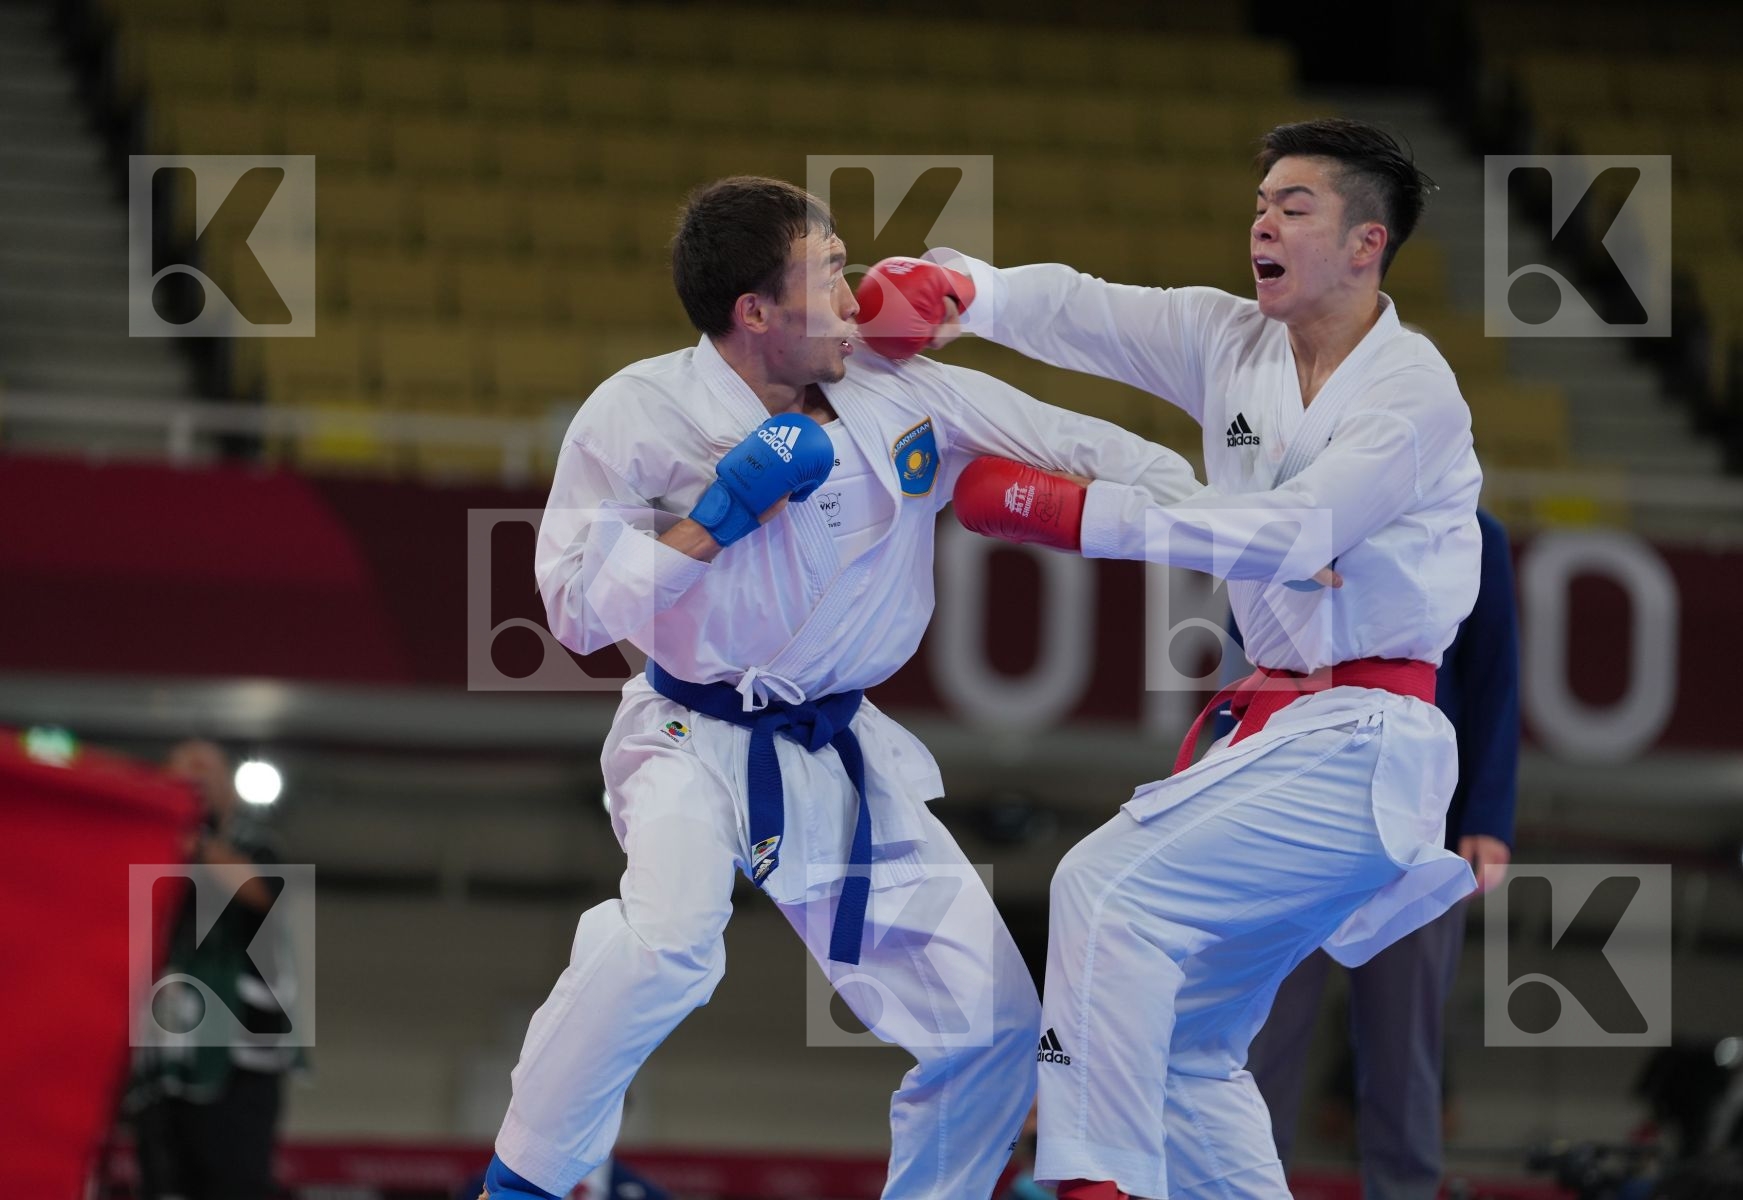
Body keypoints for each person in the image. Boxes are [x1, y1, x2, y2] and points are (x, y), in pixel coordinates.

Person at [478, 176, 1205, 1200]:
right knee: (667, 947)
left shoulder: (899, 386)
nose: (858, 295)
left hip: (839, 754)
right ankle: (518, 1185)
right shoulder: (638, 413)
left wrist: (1241, 534)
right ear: (756, 312)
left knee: (994, 1026)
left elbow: (1083, 446)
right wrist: (711, 525)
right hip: (692, 732)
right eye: (828, 274)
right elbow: (574, 614)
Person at [937, 118, 1485, 1198]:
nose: (1263, 224)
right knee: (1189, 1041)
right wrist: (962, 290)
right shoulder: (1226, 339)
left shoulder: (1411, 392)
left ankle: (1092, 1179)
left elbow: (1296, 534)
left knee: (1106, 884)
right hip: (1282, 734)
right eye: (1260, 205)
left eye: (1295, 207)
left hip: (1367, 738)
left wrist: (1079, 515)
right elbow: (1081, 308)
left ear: (1367, 243)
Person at [1245, 507, 1520, 1200]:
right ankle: (1241, 1187)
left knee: (1405, 1052)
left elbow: (1495, 678)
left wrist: (1487, 817)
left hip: (1418, 828)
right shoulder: (1304, 518)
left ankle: (1403, 1191)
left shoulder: (1469, 534)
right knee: (1258, 1037)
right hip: (1293, 818)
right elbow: (1245, 657)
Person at [127, 739, 296, 1200]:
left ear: (231, 792)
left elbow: (264, 893)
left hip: (239, 1050)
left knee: (234, 1178)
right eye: (186, 766)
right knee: (163, 1179)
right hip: (161, 1049)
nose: (196, 775)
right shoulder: (141, 849)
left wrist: (194, 839)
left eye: (209, 769)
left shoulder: (255, 847)